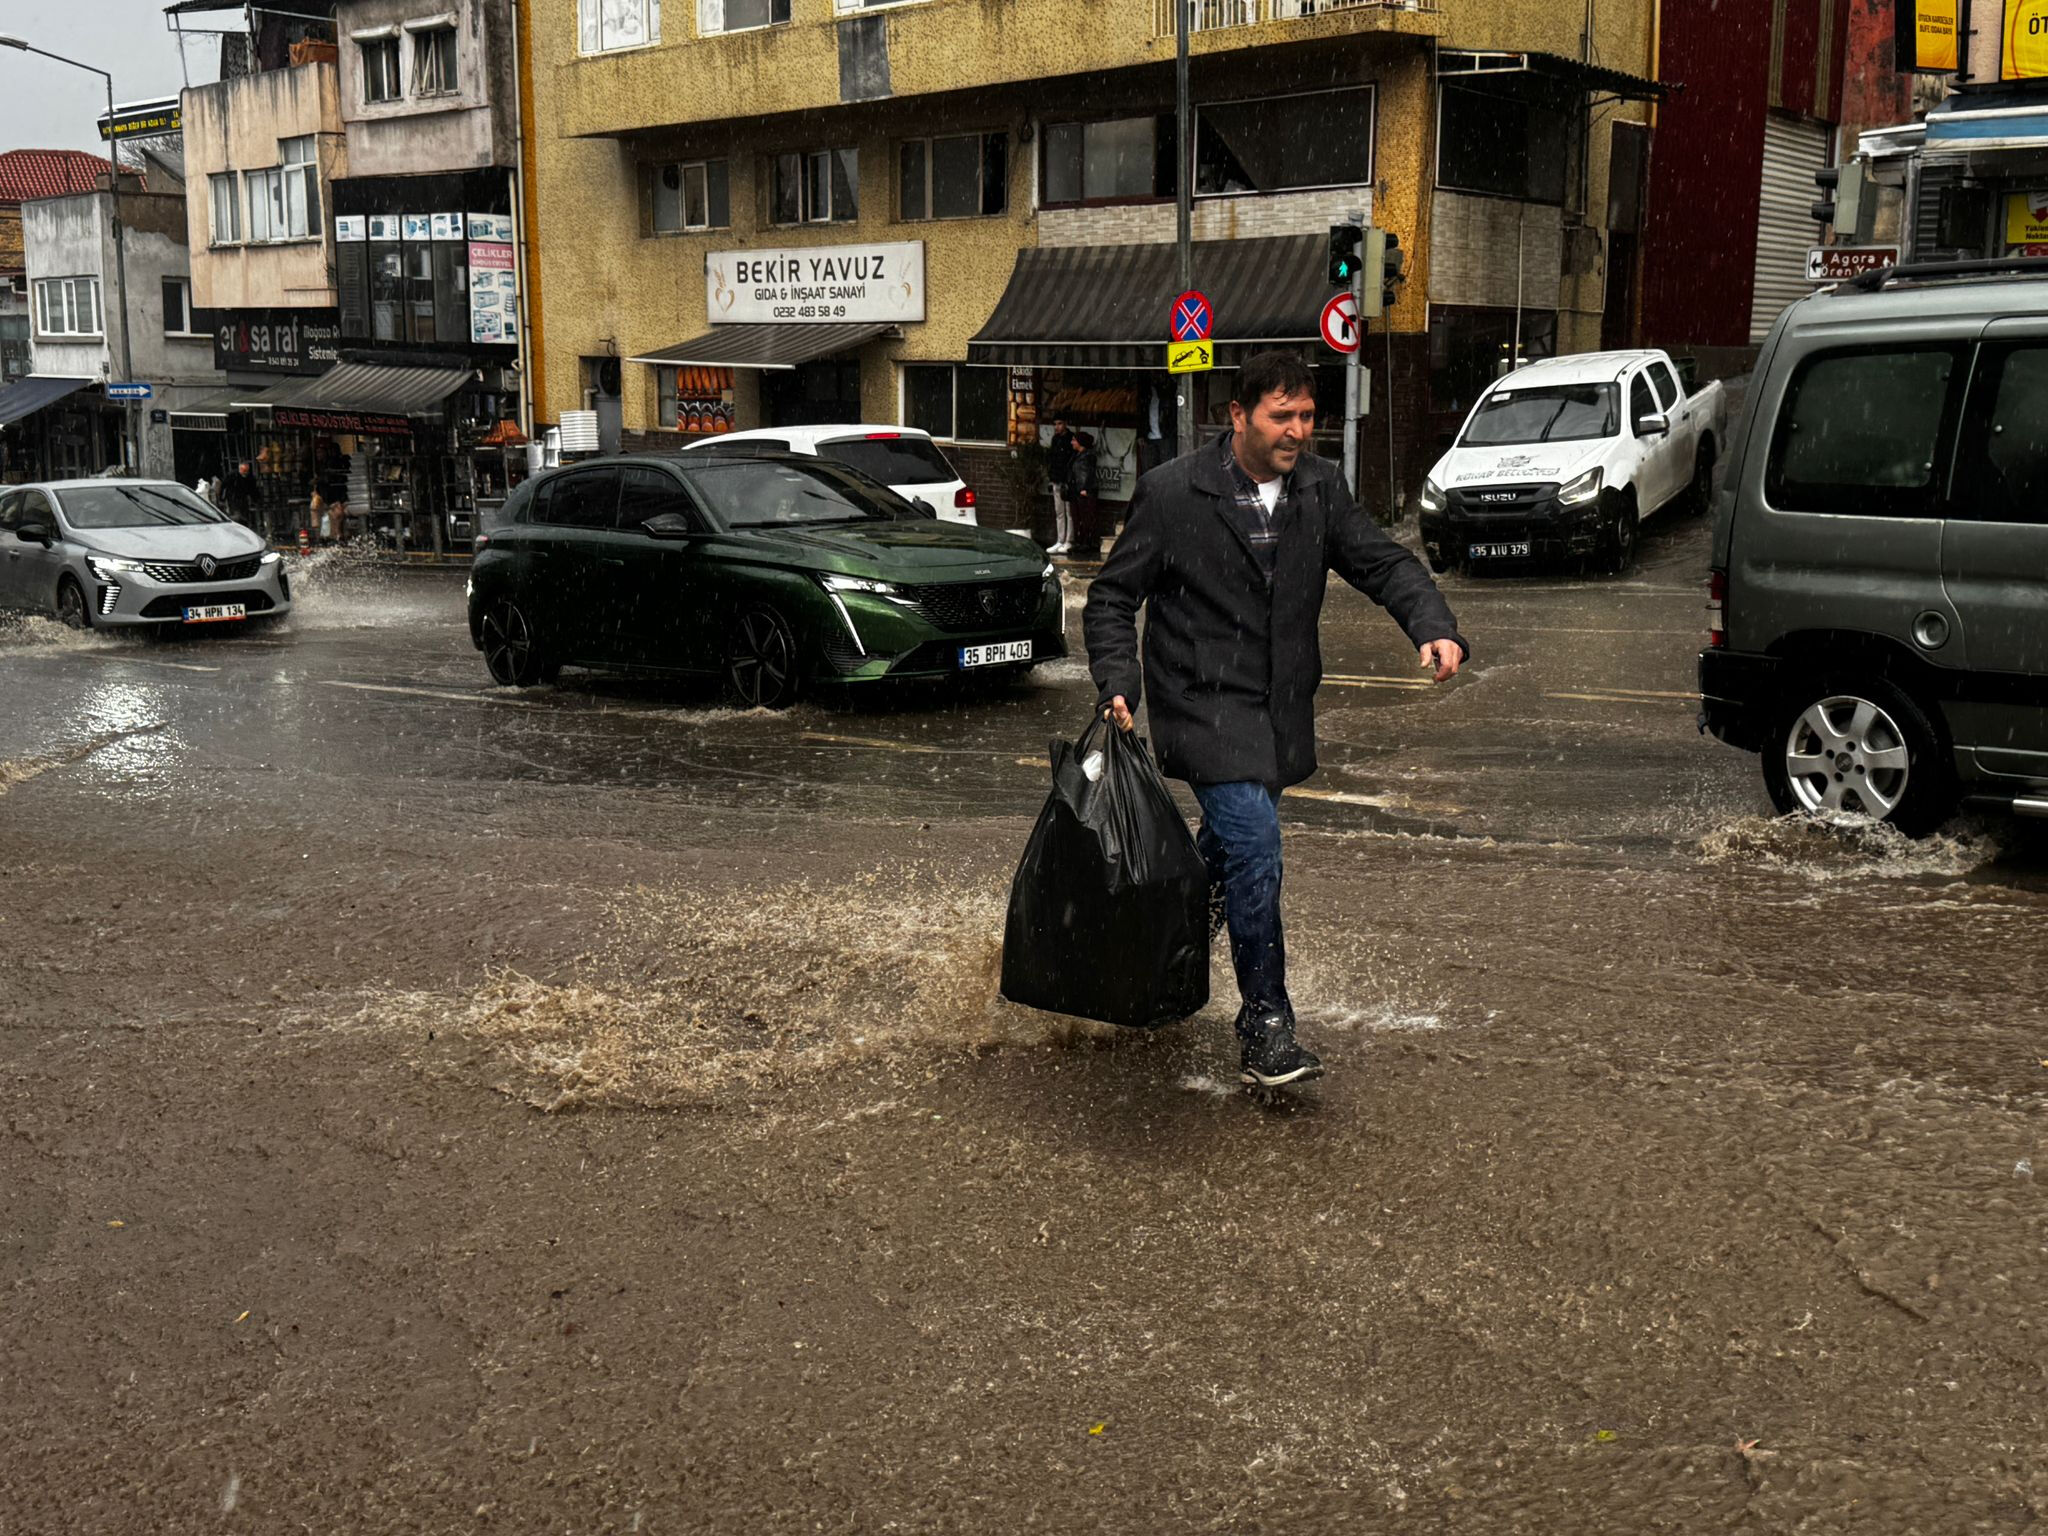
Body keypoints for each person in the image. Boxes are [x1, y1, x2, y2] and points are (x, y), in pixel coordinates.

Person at [1083, 350, 1469, 1090]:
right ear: (1238, 415)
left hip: (1278, 714)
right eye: (1280, 415)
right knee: (1256, 847)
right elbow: (1111, 597)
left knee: (1226, 857)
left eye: (1305, 417)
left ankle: (1154, 965)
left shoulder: (1320, 488)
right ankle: (1265, 1024)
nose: (1296, 431)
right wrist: (1118, 680)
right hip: (1201, 706)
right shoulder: (1172, 494)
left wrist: (1431, 625)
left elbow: (1383, 563)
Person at [1066, 431, 1098, 560]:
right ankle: (1080, 542)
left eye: (1074, 440)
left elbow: (1087, 474)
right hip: (1076, 491)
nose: (1072, 442)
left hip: (1083, 492)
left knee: (1085, 517)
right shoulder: (1077, 455)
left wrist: (1085, 488)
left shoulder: (1087, 456)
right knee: (1077, 517)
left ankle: (1086, 542)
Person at [1046, 419, 1076, 555]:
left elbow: (1070, 461)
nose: (1057, 427)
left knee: (1069, 511)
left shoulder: (1070, 439)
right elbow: (1052, 459)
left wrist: (1068, 478)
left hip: (1067, 481)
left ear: (1065, 424)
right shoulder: (1055, 439)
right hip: (1056, 479)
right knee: (1059, 511)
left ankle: (1069, 540)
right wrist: (1051, 478)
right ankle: (1060, 539)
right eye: (1055, 424)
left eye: (1059, 424)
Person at [220, 461, 259, 532]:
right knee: (237, 515)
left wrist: (255, 499)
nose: (245, 472)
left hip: (244, 497)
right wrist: (222, 499)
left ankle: (245, 529)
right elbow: (223, 486)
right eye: (244, 471)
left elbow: (253, 489)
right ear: (239, 469)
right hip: (232, 497)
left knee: (245, 515)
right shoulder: (232, 475)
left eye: (247, 471)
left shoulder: (250, 477)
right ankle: (237, 529)